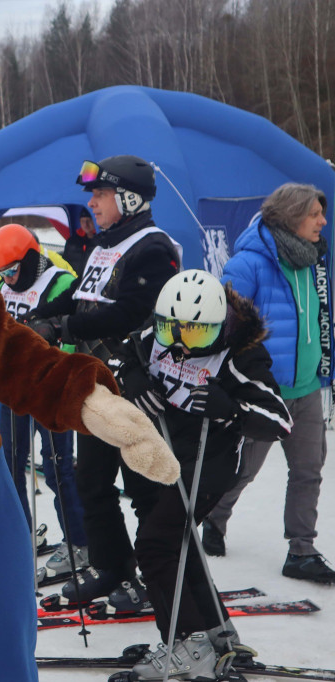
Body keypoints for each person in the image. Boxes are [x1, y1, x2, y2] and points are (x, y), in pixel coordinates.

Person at [115, 270, 291, 680]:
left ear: (218, 325)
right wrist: (132, 376)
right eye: (169, 329)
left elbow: (278, 421)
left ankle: (187, 643)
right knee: (175, 543)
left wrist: (230, 407)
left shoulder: (240, 356)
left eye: (194, 334)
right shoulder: (155, 338)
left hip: (209, 464)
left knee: (155, 543)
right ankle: (214, 633)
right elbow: (121, 354)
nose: (178, 341)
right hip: (167, 459)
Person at [26, 155, 181, 605]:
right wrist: (39, 318)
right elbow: (80, 297)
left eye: (100, 194)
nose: (92, 203)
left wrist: (66, 330)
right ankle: (113, 566)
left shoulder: (154, 247)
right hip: (99, 386)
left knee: (143, 487)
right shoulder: (105, 244)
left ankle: (161, 576)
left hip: (139, 387)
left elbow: (131, 311)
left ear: (129, 198)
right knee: (91, 481)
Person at [203, 183, 335, 585]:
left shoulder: (312, 260)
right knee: (244, 471)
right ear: (292, 216)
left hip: (307, 388)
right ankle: (213, 518)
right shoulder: (248, 263)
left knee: (308, 470)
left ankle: (301, 550)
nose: (322, 222)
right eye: (315, 214)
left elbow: (317, 321)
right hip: (265, 393)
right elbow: (229, 331)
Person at [0, 224, 89, 582]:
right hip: (14, 390)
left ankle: (78, 544)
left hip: (53, 389)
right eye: (2, 274)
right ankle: (19, 534)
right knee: (9, 461)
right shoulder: (1, 284)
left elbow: (70, 335)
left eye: (13, 271)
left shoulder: (60, 283)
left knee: (58, 468)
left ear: (29, 260)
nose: (9, 280)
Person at [63, 208, 95, 273]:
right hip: (73, 278)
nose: (86, 224)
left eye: (88, 221)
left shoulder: (101, 241)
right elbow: (64, 262)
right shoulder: (72, 241)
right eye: (83, 221)